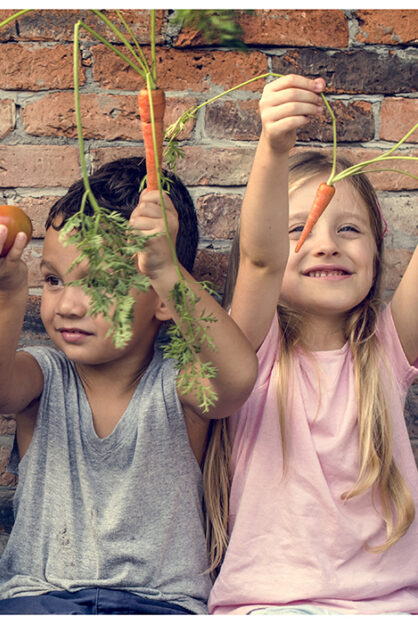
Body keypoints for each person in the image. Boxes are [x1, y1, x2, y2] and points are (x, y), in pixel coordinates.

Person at [0, 157, 258, 614]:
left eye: (99, 284)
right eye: (53, 280)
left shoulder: (180, 384)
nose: (68, 305)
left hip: (157, 606)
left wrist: (169, 271)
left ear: (163, 299)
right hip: (37, 601)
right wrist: (6, 288)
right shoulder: (44, 376)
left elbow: (236, 379)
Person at [206, 74, 418, 615]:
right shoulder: (251, 350)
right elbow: (259, 259)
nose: (326, 244)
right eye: (300, 229)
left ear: (377, 249)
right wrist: (274, 146)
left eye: (349, 230)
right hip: (269, 608)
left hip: (392, 607)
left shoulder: (388, 351)